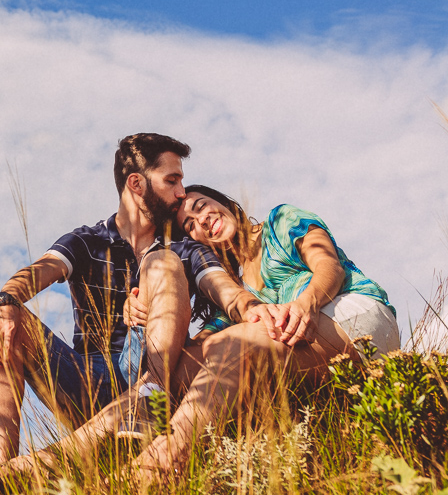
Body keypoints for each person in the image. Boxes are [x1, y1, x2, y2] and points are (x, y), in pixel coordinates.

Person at [0, 134, 249, 489]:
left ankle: (151, 398)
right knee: (2, 318)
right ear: (136, 183)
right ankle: (3, 468)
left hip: (149, 369)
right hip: (86, 378)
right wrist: (5, 302)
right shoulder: (87, 241)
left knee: (162, 261)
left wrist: (246, 305)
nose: (181, 192)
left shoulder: (182, 247)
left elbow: (219, 284)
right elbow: (36, 271)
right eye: (172, 180)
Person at [127, 184, 400, 480]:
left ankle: (160, 463)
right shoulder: (234, 289)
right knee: (178, 371)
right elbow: (197, 351)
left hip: (353, 319)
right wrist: (145, 307)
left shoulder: (280, 221)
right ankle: (89, 449)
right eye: (190, 225)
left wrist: (307, 302)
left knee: (231, 345)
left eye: (201, 206)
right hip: (304, 348)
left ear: (226, 203)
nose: (202, 221)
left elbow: (329, 266)